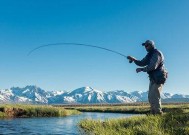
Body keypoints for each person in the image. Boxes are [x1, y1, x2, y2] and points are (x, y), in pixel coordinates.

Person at [127, 40, 168, 115]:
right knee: (150, 96)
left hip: (159, 77)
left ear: (152, 45)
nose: (145, 47)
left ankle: (158, 114)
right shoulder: (149, 54)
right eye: (145, 46)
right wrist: (134, 59)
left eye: (147, 45)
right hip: (153, 77)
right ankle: (153, 114)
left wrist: (142, 69)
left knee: (154, 96)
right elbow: (142, 63)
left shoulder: (156, 53)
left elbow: (153, 66)